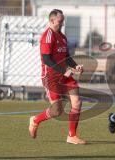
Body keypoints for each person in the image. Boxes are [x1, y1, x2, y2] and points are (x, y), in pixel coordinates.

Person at [29, 9, 86, 144]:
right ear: (52, 20)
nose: (62, 24)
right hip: (51, 77)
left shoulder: (63, 37)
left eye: (63, 22)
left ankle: (72, 136)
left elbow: (66, 56)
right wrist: (63, 71)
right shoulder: (47, 36)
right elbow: (47, 59)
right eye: (60, 22)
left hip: (64, 75)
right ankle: (35, 120)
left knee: (77, 102)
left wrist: (75, 66)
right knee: (57, 111)